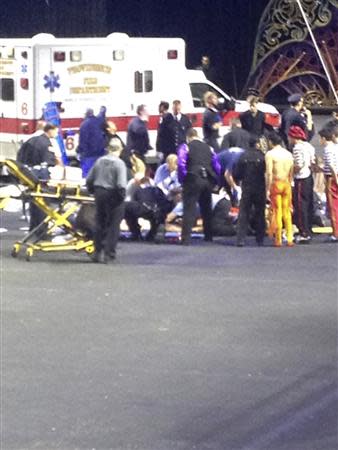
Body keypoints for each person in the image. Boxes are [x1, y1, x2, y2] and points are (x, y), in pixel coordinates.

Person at [86, 141, 127, 263]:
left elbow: (89, 179)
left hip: (99, 193)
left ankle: (97, 251)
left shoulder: (99, 161)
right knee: (113, 225)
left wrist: (92, 190)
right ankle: (109, 254)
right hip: (113, 193)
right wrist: (121, 198)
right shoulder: (119, 164)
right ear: (119, 150)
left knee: (100, 222)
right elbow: (121, 183)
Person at [177, 128, 220, 245]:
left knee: (189, 208)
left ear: (188, 137)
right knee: (206, 208)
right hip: (207, 180)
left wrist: (183, 179)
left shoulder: (186, 147)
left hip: (192, 179)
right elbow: (216, 165)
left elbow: (181, 163)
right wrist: (216, 180)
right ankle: (208, 235)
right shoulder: (209, 148)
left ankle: (186, 238)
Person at [233, 136, 267, 247]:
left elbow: (237, 173)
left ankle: (240, 239)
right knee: (260, 212)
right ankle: (260, 238)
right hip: (259, 186)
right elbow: (266, 171)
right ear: (257, 144)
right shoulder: (262, 156)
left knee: (243, 213)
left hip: (247, 186)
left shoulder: (243, 156)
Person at [265, 131, 294, 247]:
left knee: (277, 211)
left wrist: (267, 188)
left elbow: (269, 173)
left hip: (276, 184)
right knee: (287, 211)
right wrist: (290, 181)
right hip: (286, 183)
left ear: (271, 142)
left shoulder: (270, 154)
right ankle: (290, 237)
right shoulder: (288, 154)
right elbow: (291, 170)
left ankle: (278, 239)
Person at [288, 125, 315, 244]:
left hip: (301, 178)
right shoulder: (309, 146)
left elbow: (298, 165)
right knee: (309, 204)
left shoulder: (297, 148)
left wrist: (290, 172)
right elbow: (312, 161)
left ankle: (303, 232)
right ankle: (308, 228)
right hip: (309, 177)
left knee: (300, 206)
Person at [318, 127, 338, 242]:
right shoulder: (336, 148)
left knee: (333, 206)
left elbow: (331, 165)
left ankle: (336, 233)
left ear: (324, 139)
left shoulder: (328, 149)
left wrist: (335, 179)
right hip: (333, 175)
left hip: (331, 178)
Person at [77, 108, 106, 177]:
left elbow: (83, 140)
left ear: (86, 114)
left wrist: (80, 151)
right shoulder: (98, 121)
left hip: (88, 153)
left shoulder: (84, 124)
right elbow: (101, 115)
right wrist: (103, 109)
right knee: (99, 172)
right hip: (100, 152)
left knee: (86, 172)